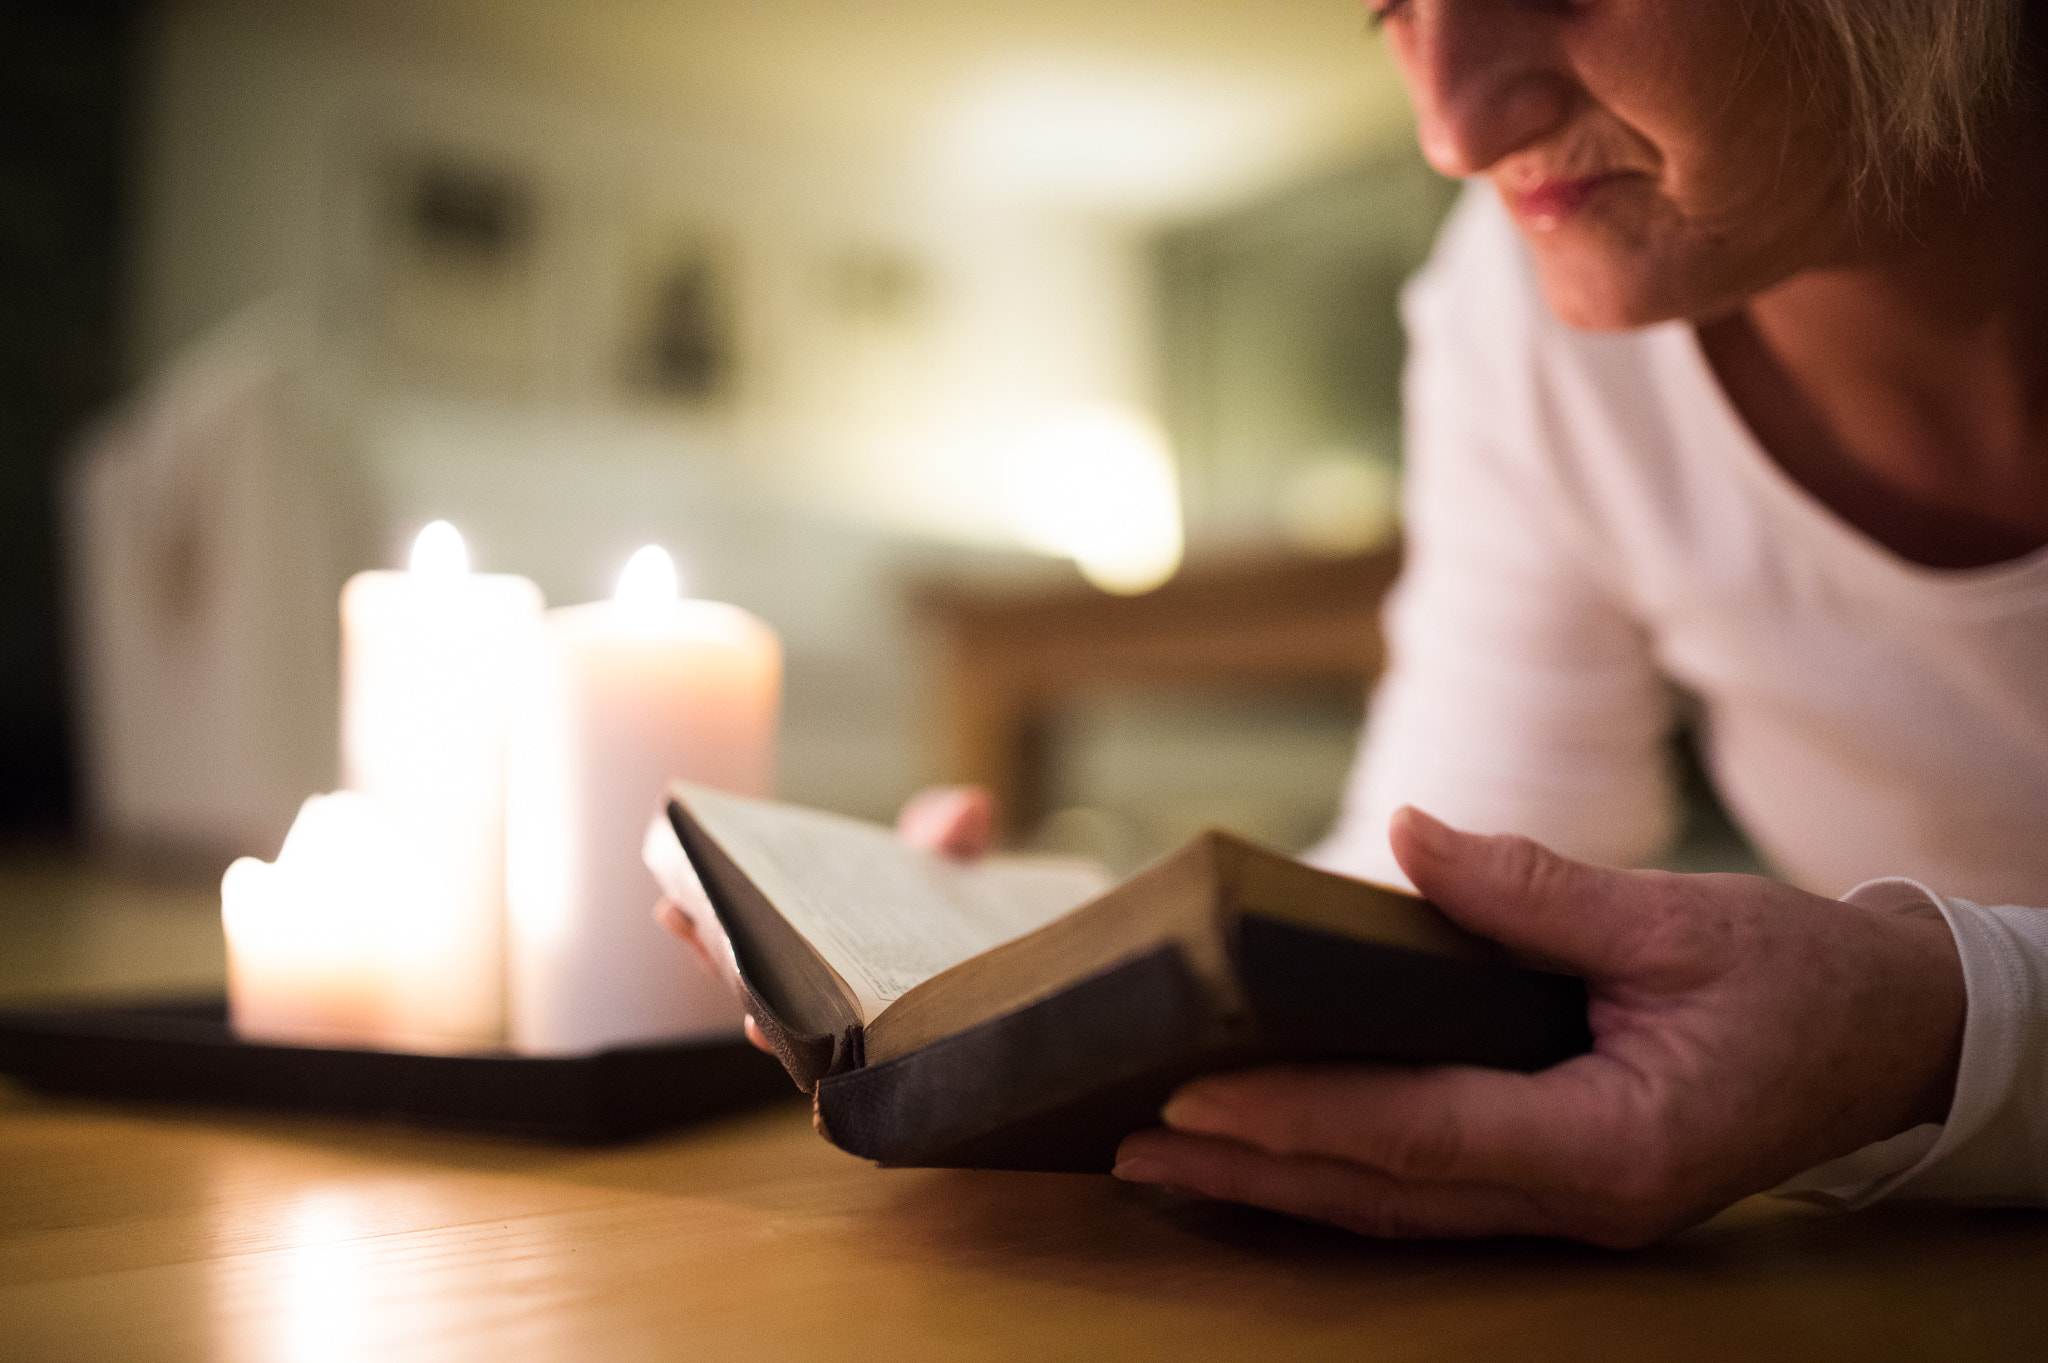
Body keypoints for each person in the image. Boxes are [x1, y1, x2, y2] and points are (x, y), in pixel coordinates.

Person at [671, 0, 2048, 1247]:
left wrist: (1935, 1027)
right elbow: (1466, 859)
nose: (1451, 128)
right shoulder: (1520, 300)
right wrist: (1058, 977)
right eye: (1389, 5)